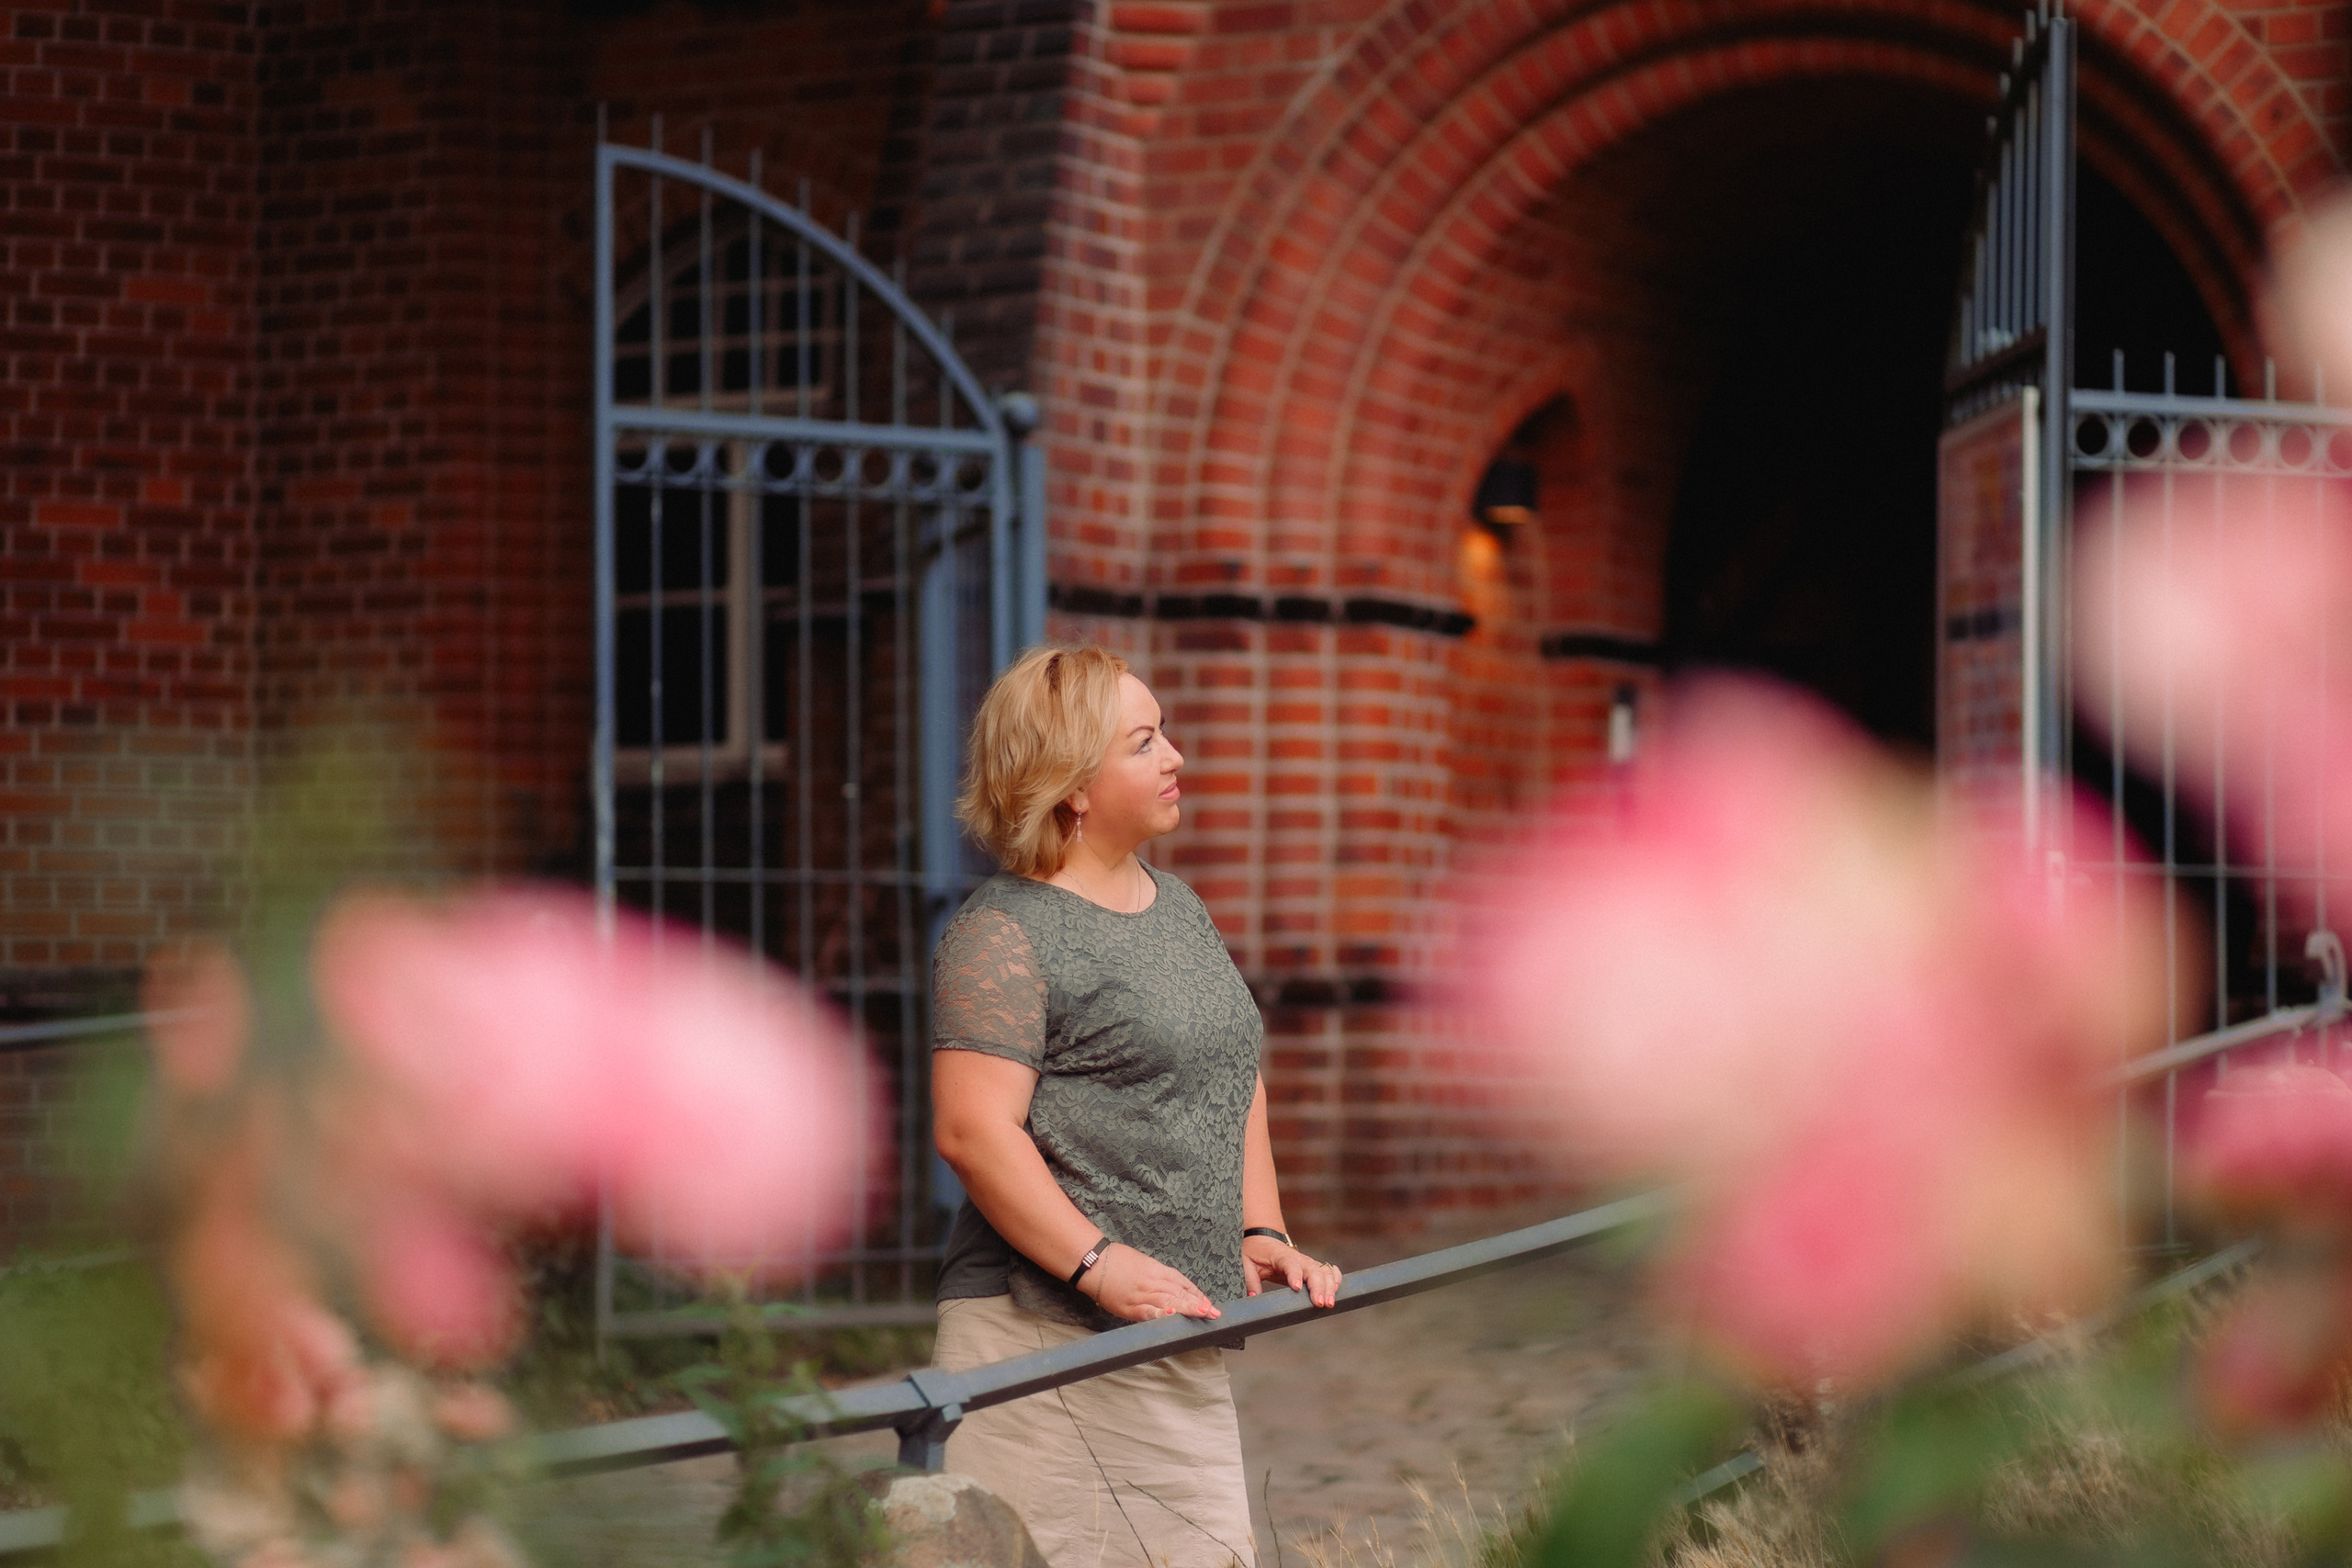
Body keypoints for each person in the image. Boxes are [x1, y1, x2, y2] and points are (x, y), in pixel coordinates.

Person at [928, 643, 1344, 1568]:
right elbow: (971, 1130)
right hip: (1038, 1334)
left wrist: (1261, 1231)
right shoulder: (1001, 932)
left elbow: (1232, 1073)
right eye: (1144, 742)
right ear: (1072, 785)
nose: (1175, 757)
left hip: (1166, 1326)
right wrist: (1098, 1263)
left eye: (1165, 734)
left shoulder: (1177, 905)